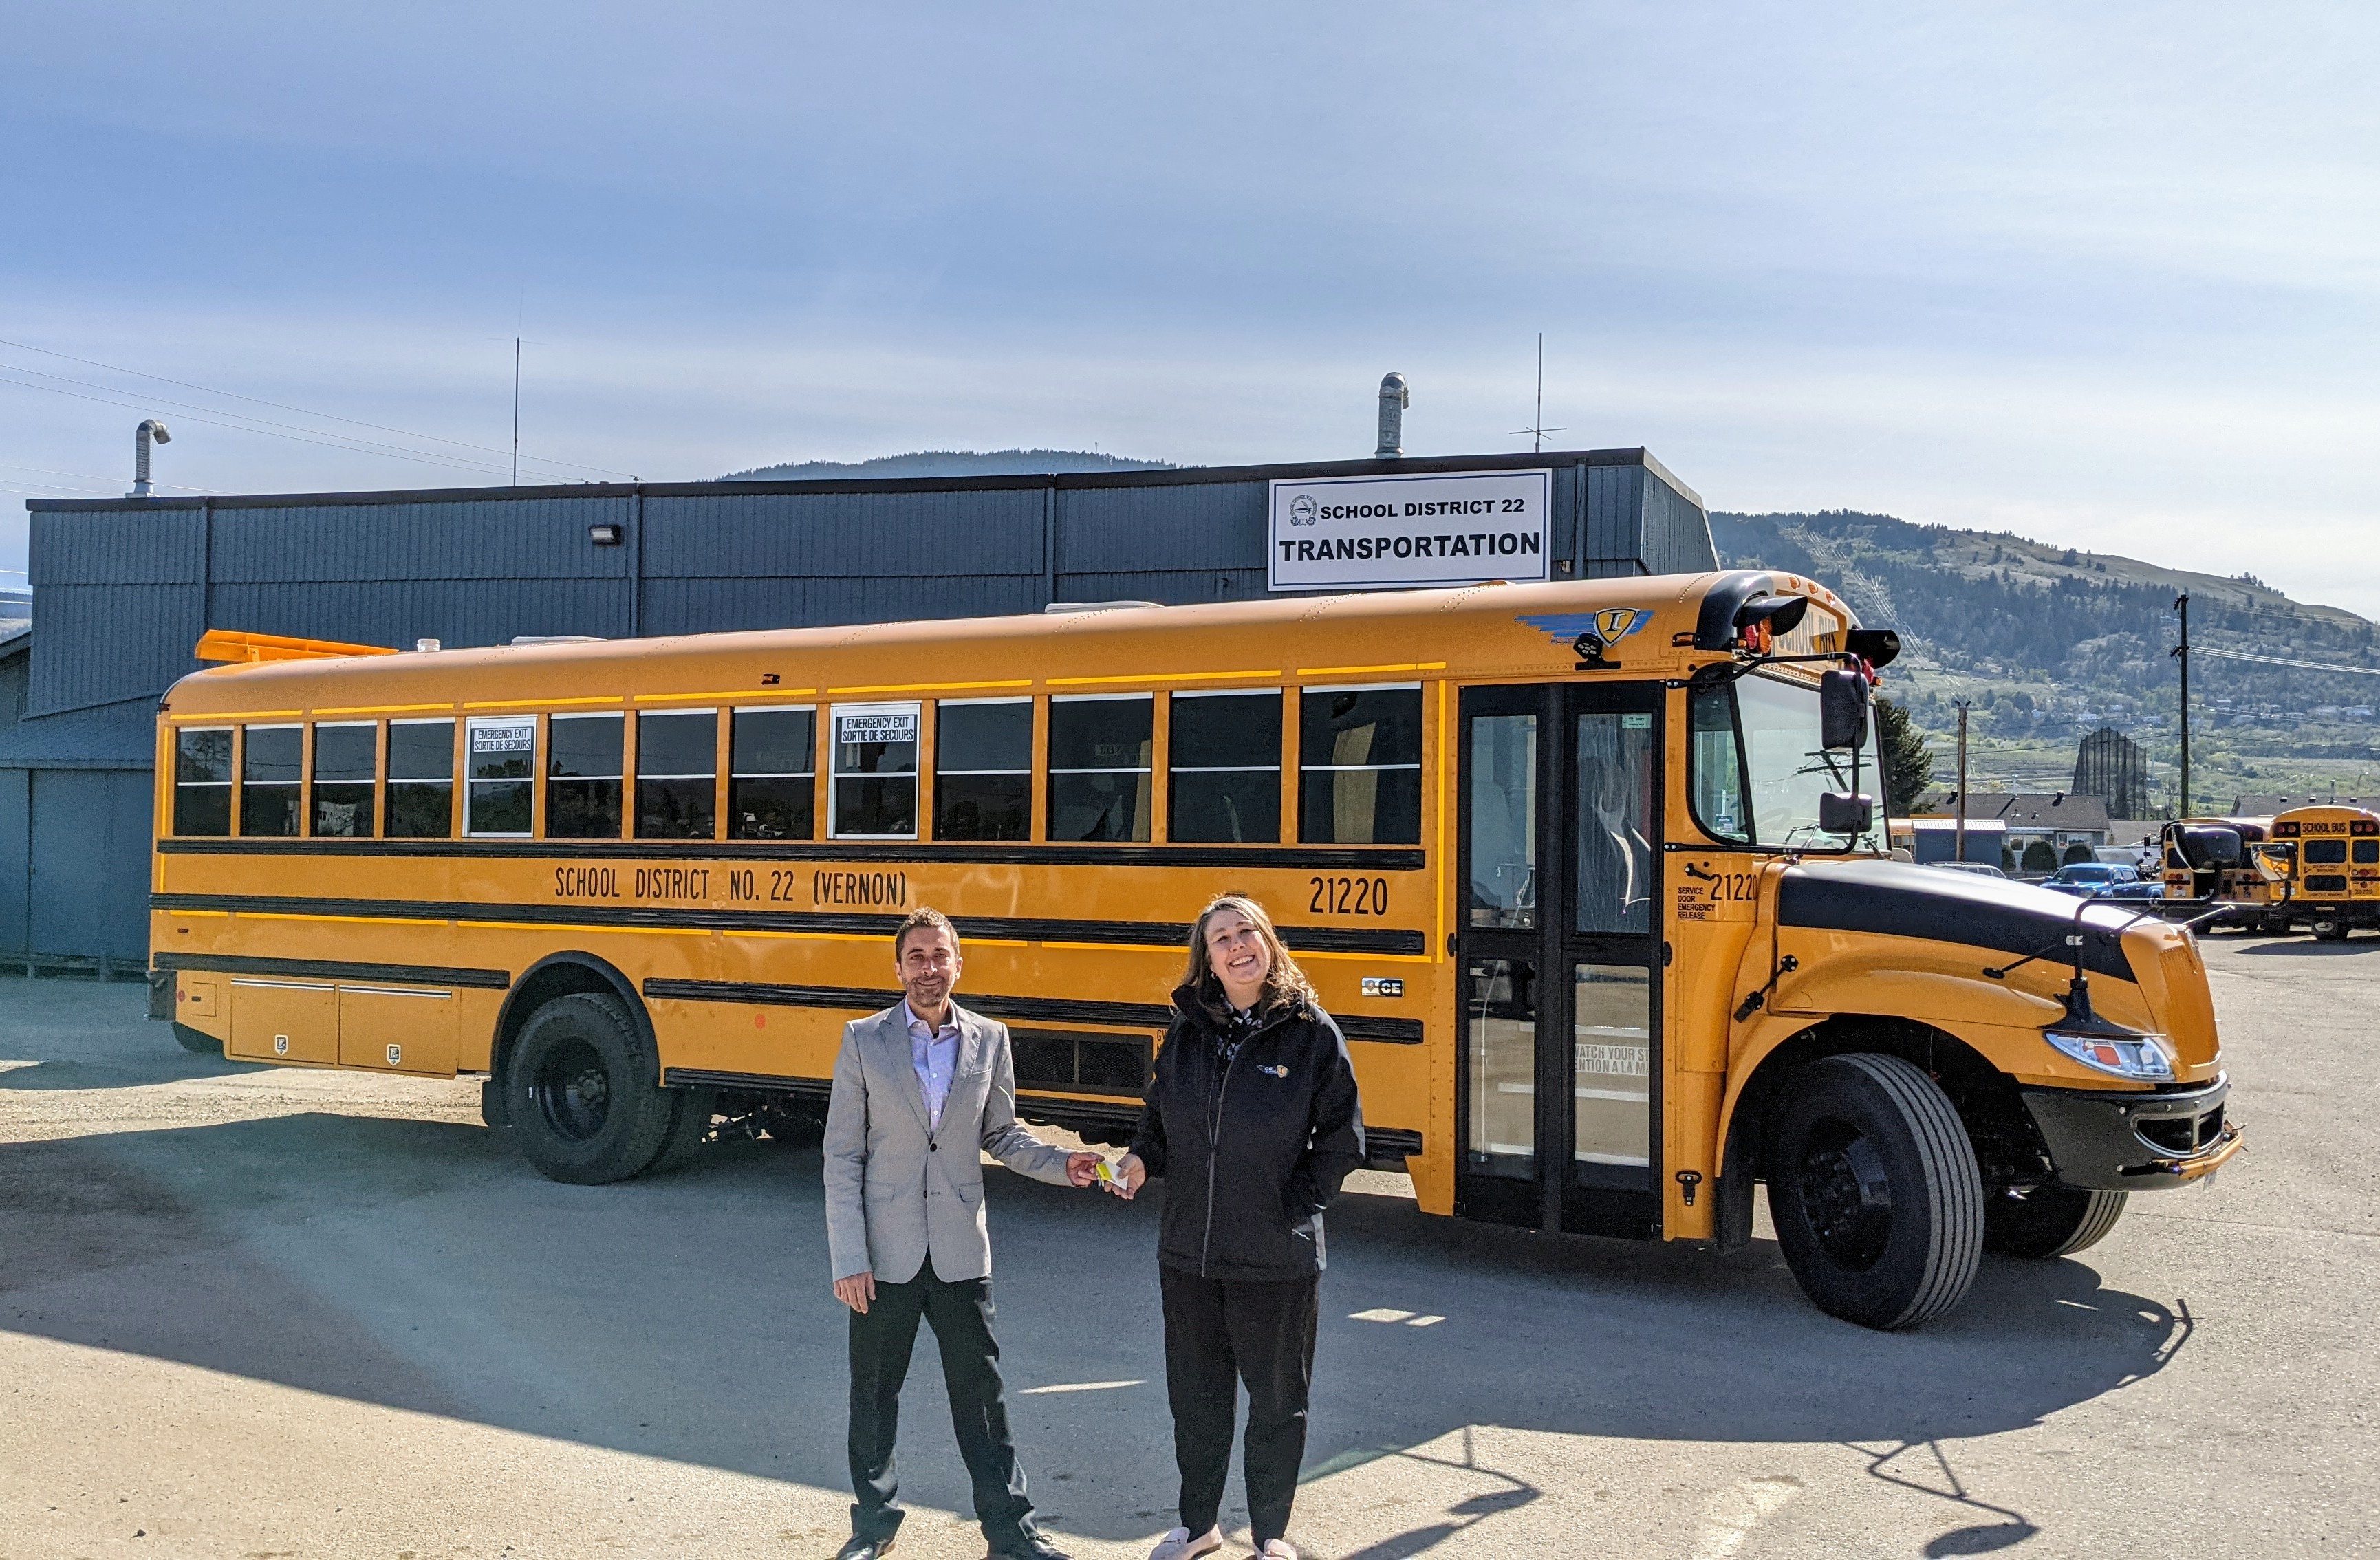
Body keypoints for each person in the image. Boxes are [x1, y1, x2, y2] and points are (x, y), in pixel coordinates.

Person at [824, 907, 1103, 1560]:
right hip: (884, 1255)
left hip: (959, 1251)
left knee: (983, 1399)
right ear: (898, 968)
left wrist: (1066, 1164)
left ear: (958, 963)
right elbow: (843, 1156)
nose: (929, 968)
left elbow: (1002, 1134)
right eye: (917, 956)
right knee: (873, 1395)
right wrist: (849, 1257)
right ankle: (873, 1528)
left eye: (940, 955)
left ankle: (1011, 1534)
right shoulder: (863, 1040)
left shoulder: (989, 1039)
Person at [1108, 894, 1364, 1560]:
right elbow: (1157, 1119)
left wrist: (1297, 1202)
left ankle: (1271, 1535)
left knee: (1277, 1402)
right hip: (1189, 1253)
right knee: (1196, 1399)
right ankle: (1197, 1527)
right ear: (1209, 960)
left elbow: (1343, 1136)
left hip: (1276, 1258)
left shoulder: (1310, 1031)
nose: (1236, 946)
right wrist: (1138, 1161)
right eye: (1221, 938)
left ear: (1269, 942)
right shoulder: (1188, 1032)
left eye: (1245, 932)